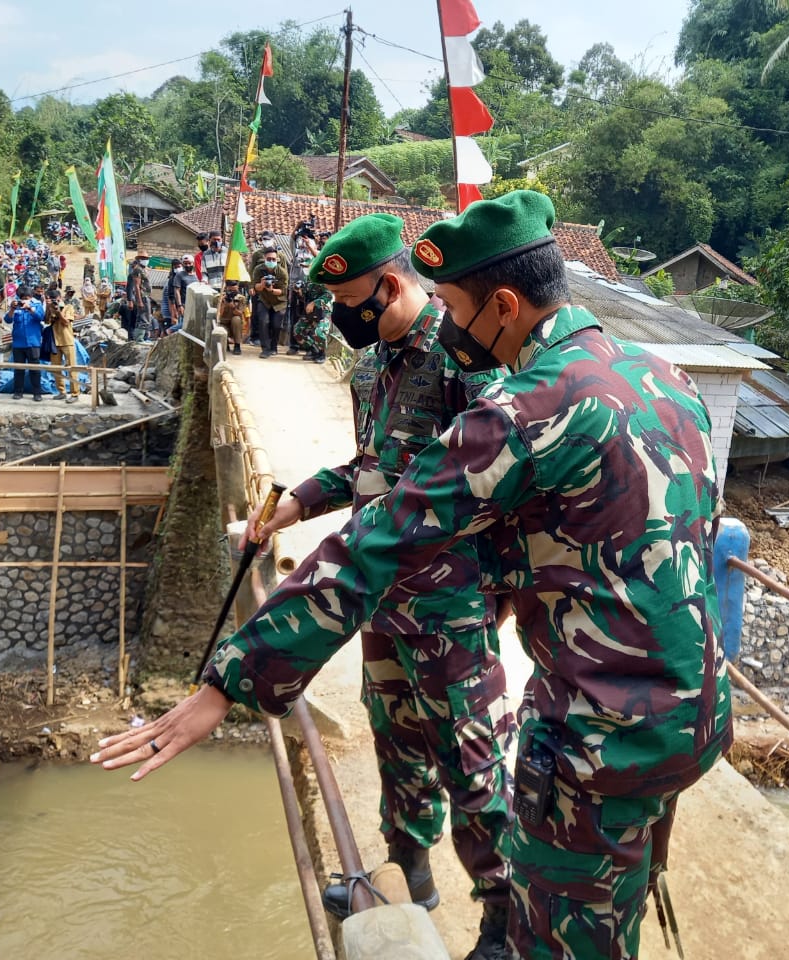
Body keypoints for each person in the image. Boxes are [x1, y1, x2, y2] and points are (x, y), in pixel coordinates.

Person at [91, 192, 732, 960]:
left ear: (502, 304)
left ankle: (501, 923)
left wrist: (229, 681)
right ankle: (432, 876)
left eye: (457, 305)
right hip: (691, 712)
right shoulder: (665, 376)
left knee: (555, 930)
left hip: (600, 733)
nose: (451, 323)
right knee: (605, 907)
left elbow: (376, 542)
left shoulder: (523, 408)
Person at [270, 215, 515, 946]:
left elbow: (503, 486)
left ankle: (502, 918)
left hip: (450, 604)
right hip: (384, 597)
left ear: (393, 283)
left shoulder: (466, 361)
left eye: (352, 301)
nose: (345, 317)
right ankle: (410, 872)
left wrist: (495, 596)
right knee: (396, 741)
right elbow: (367, 468)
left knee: (471, 762)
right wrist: (294, 503)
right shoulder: (373, 364)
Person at [6, 291, 45, 401]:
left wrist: (29, 308)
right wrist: (12, 309)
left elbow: (41, 317)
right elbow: (7, 320)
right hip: (18, 343)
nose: (24, 300)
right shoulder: (16, 307)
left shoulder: (37, 305)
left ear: (31, 297)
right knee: (19, 369)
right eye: (22, 298)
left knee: (35, 369)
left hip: (33, 343)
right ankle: (18, 392)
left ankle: (37, 393)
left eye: (27, 298)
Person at [250, 247, 288, 358]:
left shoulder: (282, 273)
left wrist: (271, 289)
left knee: (276, 325)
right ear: (264, 258)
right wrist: (261, 285)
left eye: (273, 259)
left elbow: (282, 291)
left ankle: (274, 347)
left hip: (279, 302)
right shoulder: (258, 269)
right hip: (264, 300)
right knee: (263, 322)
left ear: (277, 260)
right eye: (269, 259)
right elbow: (255, 286)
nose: (271, 261)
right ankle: (265, 349)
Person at [46, 291, 80, 403]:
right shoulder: (50, 308)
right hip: (54, 342)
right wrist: (48, 307)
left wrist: (58, 312)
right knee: (56, 369)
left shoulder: (68, 307)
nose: (55, 300)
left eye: (55, 298)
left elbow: (66, 322)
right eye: (52, 299)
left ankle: (75, 394)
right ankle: (62, 392)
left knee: (72, 368)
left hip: (67, 340)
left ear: (60, 298)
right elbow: (46, 321)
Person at [217, 279, 247, 355]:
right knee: (220, 327)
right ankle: (225, 344)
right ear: (226, 288)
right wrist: (223, 304)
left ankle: (237, 345)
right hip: (223, 323)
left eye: (234, 290)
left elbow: (240, 314)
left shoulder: (241, 298)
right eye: (230, 290)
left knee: (236, 319)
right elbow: (218, 315)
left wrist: (233, 307)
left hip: (235, 326)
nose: (232, 292)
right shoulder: (220, 297)